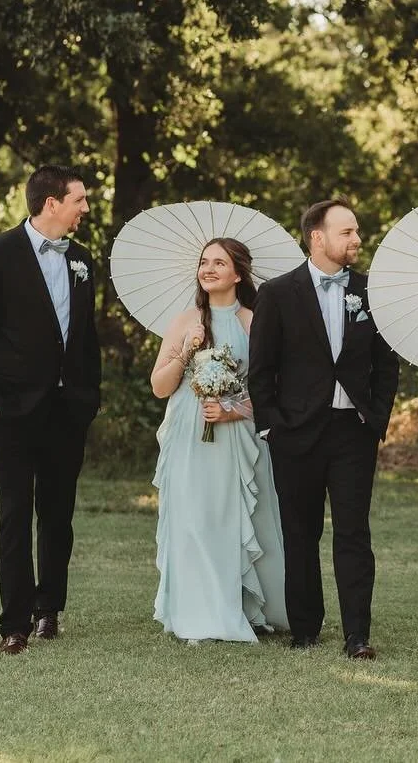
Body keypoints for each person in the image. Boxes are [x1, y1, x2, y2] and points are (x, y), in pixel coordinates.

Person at [0, 165, 102, 654]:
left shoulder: (82, 261)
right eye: (79, 200)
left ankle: (48, 610)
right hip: (12, 412)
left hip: (68, 411)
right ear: (51, 203)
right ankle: (14, 622)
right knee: (15, 515)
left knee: (58, 516)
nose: (85, 208)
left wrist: (89, 397)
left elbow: (88, 338)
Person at [248, 199, 400, 659]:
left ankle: (358, 635)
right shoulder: (276, 293)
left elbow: (386, 364)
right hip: (295, 432)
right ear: (318, 237)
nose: (357, 240)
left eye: (356, 232)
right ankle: (305, 629)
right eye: (347, 232)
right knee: (300, 532)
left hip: (353, 431)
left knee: (354, 532)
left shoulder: (372, 292)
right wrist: (272, 426)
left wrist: (375, 420)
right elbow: (262, 370)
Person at [149, 238, 288, 642]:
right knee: (193, 520)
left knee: (237, 520)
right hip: (190, 433)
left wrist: (232, 410)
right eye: (204, 262)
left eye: (219, 263)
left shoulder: (253, 320)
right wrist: (186, 351)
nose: (208, 269)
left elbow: (272, 389)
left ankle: (248, 607)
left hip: (238, 434)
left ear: (238, 273)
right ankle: (197, 612)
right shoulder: (185, 321)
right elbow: (160, 387)